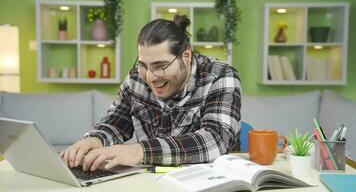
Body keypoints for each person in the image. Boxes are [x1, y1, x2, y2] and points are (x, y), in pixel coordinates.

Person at [60, 14, 241, 171]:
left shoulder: (220, 76)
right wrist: (93, 141)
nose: (150, 77)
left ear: (185, 56)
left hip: (205, 182)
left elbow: (217, 140)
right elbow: (115, 123)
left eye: (160, 66)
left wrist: (140, 151)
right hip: (150, 181)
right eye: (143, 65)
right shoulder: (136, 79)